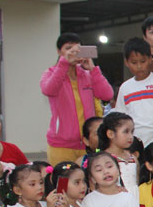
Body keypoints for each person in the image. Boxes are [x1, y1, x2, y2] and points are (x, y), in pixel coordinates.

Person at [41, 33, 114, 164]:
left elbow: (107, 95)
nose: (73, 53)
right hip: (61, 145)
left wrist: (93, 69)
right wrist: (64, 63)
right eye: (68, 49)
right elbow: (49, 90)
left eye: (77, 50)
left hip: (88, 143)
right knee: (63, 182)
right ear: (59, 51)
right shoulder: (51, 73)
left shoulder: (87, 74)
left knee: (89, 181)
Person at [97, 112, 139, 197]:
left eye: (132, 132)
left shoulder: (133, 158)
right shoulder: (103, 158)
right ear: (110, 134)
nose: (131, 136)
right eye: (126, 132)